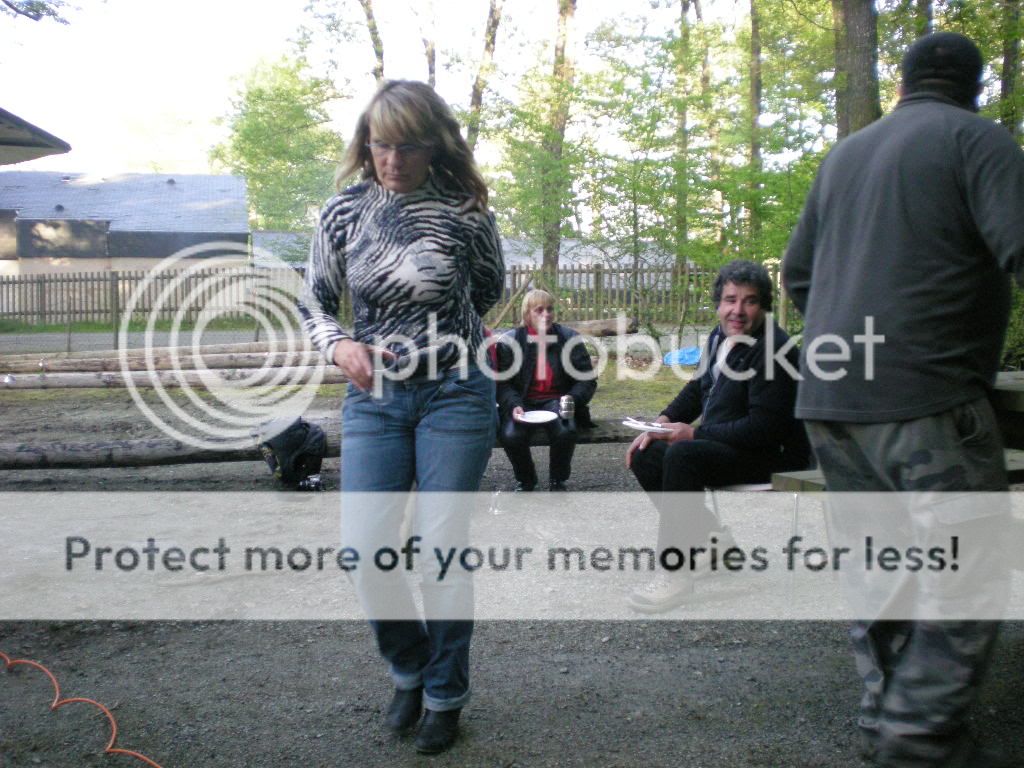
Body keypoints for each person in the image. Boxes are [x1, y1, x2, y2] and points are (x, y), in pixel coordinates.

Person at [782, 32, 1024, 767]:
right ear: (975, 86)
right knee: (973, 565)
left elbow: (797, 278)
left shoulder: (845, 157)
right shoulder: (979, 142)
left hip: (830, 402)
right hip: (924, 397)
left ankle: (885, 717)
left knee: (880, 567)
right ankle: (917, 738)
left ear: (902, 83)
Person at [299, 80, 504, 755]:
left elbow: (488, 289)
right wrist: (343, 344)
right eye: (381, 146)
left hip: (456, 391)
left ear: (435, 145)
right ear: (366, 145)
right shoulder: (342, 213)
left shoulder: (465, 209)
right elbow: (317, 305)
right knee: (365, 549)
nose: (392, 161)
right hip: (376, 399)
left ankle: (446, 693)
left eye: (408, 148)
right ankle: (410, 667)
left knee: (442, 551)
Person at [626, 259, 810, 613]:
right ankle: (715, 545)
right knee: (646, 453)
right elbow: (697, 389)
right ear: (719, 302)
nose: (737, 310)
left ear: (763, 305)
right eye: (730, 300)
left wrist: (692, 433)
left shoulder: (774, 350)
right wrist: (659, 424)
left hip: (773, 455)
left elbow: (764, 428)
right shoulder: (718, 336)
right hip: (726, 444)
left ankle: (675, 573)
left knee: (683, 455)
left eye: (750, 301)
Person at [494, 289, 596, 491]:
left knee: (566, 431)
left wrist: (571, 399)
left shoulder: (569, 339)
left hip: (557, 400)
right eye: (539, 310)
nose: (546, 314)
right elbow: (501, 383)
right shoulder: (509, 343)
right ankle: (527, 481)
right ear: (527, 314)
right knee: (511, 435)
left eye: (549, 309)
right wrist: (513, 404)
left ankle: (557, 480)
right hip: (522, 401)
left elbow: (587, 380)